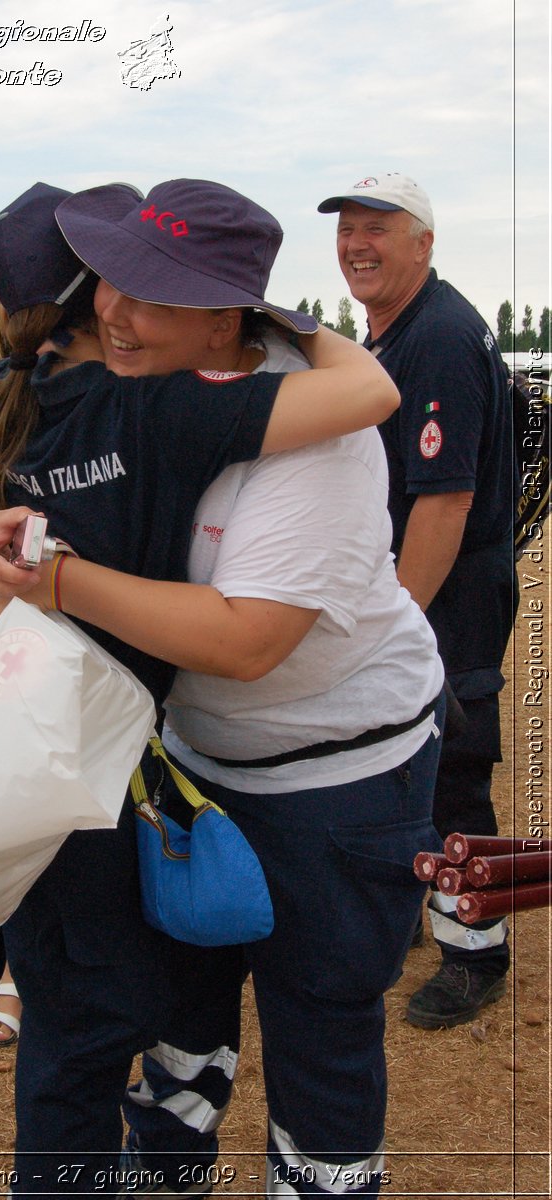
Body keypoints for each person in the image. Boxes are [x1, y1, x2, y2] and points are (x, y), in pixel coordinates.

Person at [0, 179, 398, 1199]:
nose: (129, 308)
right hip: (97, 757)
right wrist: (294, 321)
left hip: (15, 727)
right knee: (93, 1013)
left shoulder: (1, 399)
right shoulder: (155, 408)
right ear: (94, 300)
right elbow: (370, 396)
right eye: (119, 283)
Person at [0, 181, 446, 1200]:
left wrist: (48, 577)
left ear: (226, 319)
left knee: (319, 1034)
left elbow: (247, 642)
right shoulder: (130, 385)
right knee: (181, 1020)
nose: (111, 311)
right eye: (111, 283)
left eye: (151, 294)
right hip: (189, 761)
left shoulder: (305, 430)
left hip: (336, 778)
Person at [317, 172, 516, 1030]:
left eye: (378, 229)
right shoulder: (394, 333)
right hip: (417, 588)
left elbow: (446, 501)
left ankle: (478, 952)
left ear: (424, 243)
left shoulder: (436, 335)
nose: (357, 243)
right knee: (396, 757)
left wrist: (394, 623)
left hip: (448, 591)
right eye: (347, 229)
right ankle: (409, 915)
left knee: (453, 768)